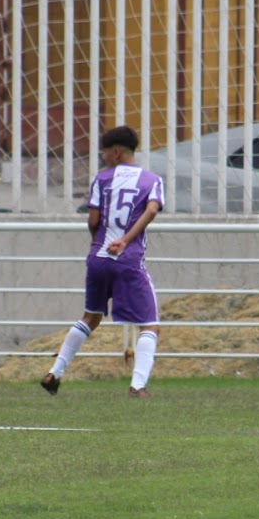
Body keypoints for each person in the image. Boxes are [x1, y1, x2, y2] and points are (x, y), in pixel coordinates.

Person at [41, 125, 164, 398]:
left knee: (90, 317)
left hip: (98, 259)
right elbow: (152, 210)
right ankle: (138, 386)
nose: (104, 157)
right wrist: (126, 240)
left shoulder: (102, 179)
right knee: (150, 325)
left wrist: (96, 245)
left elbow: (93, 220)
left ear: (116, 152)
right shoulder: (151, 180)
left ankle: (54, 372)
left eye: (105, 153)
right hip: (127, 260)